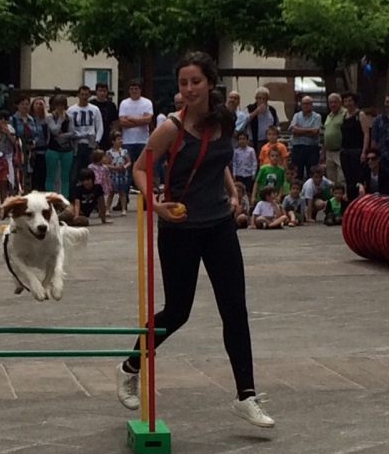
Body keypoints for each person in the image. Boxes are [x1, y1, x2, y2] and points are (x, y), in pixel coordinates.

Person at [115, 51, 274, 429]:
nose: (188, 89)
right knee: (178, 312)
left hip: (219, 224)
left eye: (195, 82)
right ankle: (130, 365)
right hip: (179, 228)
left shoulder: (225, 119)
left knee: (235, 307)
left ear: (210, 84)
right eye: (183, 83)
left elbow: (217, 161)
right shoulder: (171, 127)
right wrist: (155, 205)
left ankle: (246, 396)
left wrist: (233, 191)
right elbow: (141, 168)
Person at [68, 86, 104, 195]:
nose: (84, 97)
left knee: (92, 173)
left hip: (90, 144)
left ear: (89, 95)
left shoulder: (95, 109)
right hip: (76, 144)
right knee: (74, 174)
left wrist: (97, 141)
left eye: (86, 94)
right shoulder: (71, 110)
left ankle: (94, 198)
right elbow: (69, 127)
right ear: (78, 95)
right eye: (82, 94)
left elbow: (100, 126)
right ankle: (73, 198)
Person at [339, 91, 369, 202]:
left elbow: (366, 134)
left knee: (357, 180)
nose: (348, 103)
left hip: (357, 151)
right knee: (348, 180)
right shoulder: (344, 116)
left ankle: (358, 202)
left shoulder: (360, 115)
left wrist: (364, 151)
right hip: (345, 152)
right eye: (345, 101)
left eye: (350, 100)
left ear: (355, 102)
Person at [118, 80, 153, 171]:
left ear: (140, 90)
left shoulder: (147, 103)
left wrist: (130, 118)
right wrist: (139, 120)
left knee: (142, 167)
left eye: (136, 89)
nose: (134, 91)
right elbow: (122, 122)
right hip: (127, 141)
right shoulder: (124, 103)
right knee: (127, 167)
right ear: (129, 90)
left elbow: (147, 120)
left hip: (143, 140)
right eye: (131, 89)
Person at [45, 94, 75, 198]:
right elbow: (54, 130)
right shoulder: (50, 117)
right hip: (53, 149)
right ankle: (49, 198)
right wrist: (60, 121)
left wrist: (62, 135)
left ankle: (65, 198)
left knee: (65, 176)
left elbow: (72, 132)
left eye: (62, 105)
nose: (60, 108)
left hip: (67, 150)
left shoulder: (69, 117)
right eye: (57, 105)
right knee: (51, 175)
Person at [289, 96, 322, 180]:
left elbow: (315, 132)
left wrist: (299, 130)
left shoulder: (317, 116)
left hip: (311, 149)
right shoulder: (296, 115)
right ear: (301, 105)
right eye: (304, 104)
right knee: (297, 173)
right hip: (298, 148)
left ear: (311, 105)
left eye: (308, 104)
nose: (306, 105)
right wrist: (308, 130)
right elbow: (292, 130)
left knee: (312, 173)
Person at [10, 94, 38, 193]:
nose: (25, 106)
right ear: (18, 105)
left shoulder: (32, 119)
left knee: (28, 177)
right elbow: (12, 134)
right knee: (17, 176)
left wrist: (34, 142)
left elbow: (37, 134)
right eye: (22, 104)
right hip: (17, 151)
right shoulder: (13, 119)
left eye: (27, 104)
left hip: (29, 153)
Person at [245, 87, 279, 154]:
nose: (262, 100)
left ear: (267, 99)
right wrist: (255, 112)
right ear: (256, 98)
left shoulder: (272, 110)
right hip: (253, 141)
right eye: (259, 98)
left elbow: (277, 124)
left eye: (264, 98)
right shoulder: (250, 108)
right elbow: (243, 121)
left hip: (268, 141)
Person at [321, 93, 346, 184]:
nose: (333, 105)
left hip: (340, 151)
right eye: (330, 102)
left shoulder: (345, 114)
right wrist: (323, 152)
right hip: (329, 152)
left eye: (335, 102)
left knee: (341, 177)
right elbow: (326, 134)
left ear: (340, 102)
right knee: (331, 179)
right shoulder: (329, 116)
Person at [106, 131, 131, 216]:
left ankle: (123, 209)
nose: (120, 141)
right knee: (111, 193)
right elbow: (107, 164)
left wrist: (125, 166)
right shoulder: (109, 152)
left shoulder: (124, 151)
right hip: (113, 175)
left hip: (122, 175)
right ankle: (107, 209)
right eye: (118, 139)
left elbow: (129, 162)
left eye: (121, 139)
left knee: (122, 192)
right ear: (113, 141)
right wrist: (115, 168)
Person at [90, 82, 119, 151]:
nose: (102, 93)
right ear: (96, 91)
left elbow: (115, 122)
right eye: (100, 91)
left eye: (104, 91)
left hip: (107, 135)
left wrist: (114, 135)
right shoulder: (91, 104)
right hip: (94, 134)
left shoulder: (111, 105)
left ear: (107, 92)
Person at [29, 98, 49, 193]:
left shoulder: (47, 119)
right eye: (36, 103)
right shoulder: (30, 119)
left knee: (44, 176)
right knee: (34, 176)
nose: (38, 106)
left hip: (46, 151)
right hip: (34, 151)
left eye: (41, 104)